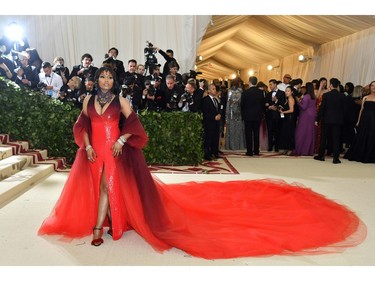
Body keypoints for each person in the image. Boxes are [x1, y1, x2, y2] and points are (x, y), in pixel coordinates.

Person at [38, 66, 365, 258]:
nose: (106, 81)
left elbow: (135, 125)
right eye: (103, 77)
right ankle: (110, 221)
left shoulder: (121, 100)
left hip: (115, 151)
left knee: (108, 185)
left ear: (115, 81)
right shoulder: (87, 99)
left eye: (111, 78)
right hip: (93, 151)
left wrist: (123, 139)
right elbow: (81, 126)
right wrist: (85, 144)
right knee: (98, 185)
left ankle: (101, 227)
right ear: (96, 79)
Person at [314, 78, 346, 164]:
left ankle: (321, 156)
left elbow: (322, 108)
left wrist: (318, 118)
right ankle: (336, 158)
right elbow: (344, 110)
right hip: (338, 120)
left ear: (331, 85)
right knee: (336, 139)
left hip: (326, 119)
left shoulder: (326, 95)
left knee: (323, 138)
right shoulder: (342, 96)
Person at [345, 80, 375, 163]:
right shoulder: (365, 97)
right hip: (364, 120)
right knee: (362, 136)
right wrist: (358, 121)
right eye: (372, 85)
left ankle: (370, 155)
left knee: (372, 137)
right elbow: (361, 110)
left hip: (373, 120)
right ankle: (361, 154)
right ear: (370, 87)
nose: (374, 87)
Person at [241, 76, 265, 156]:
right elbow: (262, 105)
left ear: (249, 82)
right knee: (256, 133)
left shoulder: (245, 92)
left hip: (248, 116)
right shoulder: (261, 92)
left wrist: (243, 115)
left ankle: (249, 151)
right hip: (257, 115)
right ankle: (256, 151)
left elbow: (242, 105)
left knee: (248, 134)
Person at [293, 82, 317, 156]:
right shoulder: (314, 96)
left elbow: (303, 107)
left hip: (305, 115)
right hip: (312, 115)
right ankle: (309, 150)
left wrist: (298, 101)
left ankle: (301, 149)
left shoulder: (307, 96)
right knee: (310, 133)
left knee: (301, 132)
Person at [202, 83, 222, 160]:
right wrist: (214, 117)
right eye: (213, 89)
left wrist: (219, 115)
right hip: (209, 123)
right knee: (208, 139)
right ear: (209, 91)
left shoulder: (215, 99)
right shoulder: (205, 100)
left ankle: (215, 152)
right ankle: (207, 154)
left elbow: (218, 109)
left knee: (215, 138)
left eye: (215, 89)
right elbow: (205, 113)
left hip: (216, 123)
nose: (215, 90)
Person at [225, 77, 246, 150]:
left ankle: (232, 145)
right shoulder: (240, 91)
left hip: (231, 111)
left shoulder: (230, 91)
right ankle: (239, 145)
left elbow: (228, 103)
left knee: (232, 129)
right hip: (238, 112)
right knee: (238, 129)